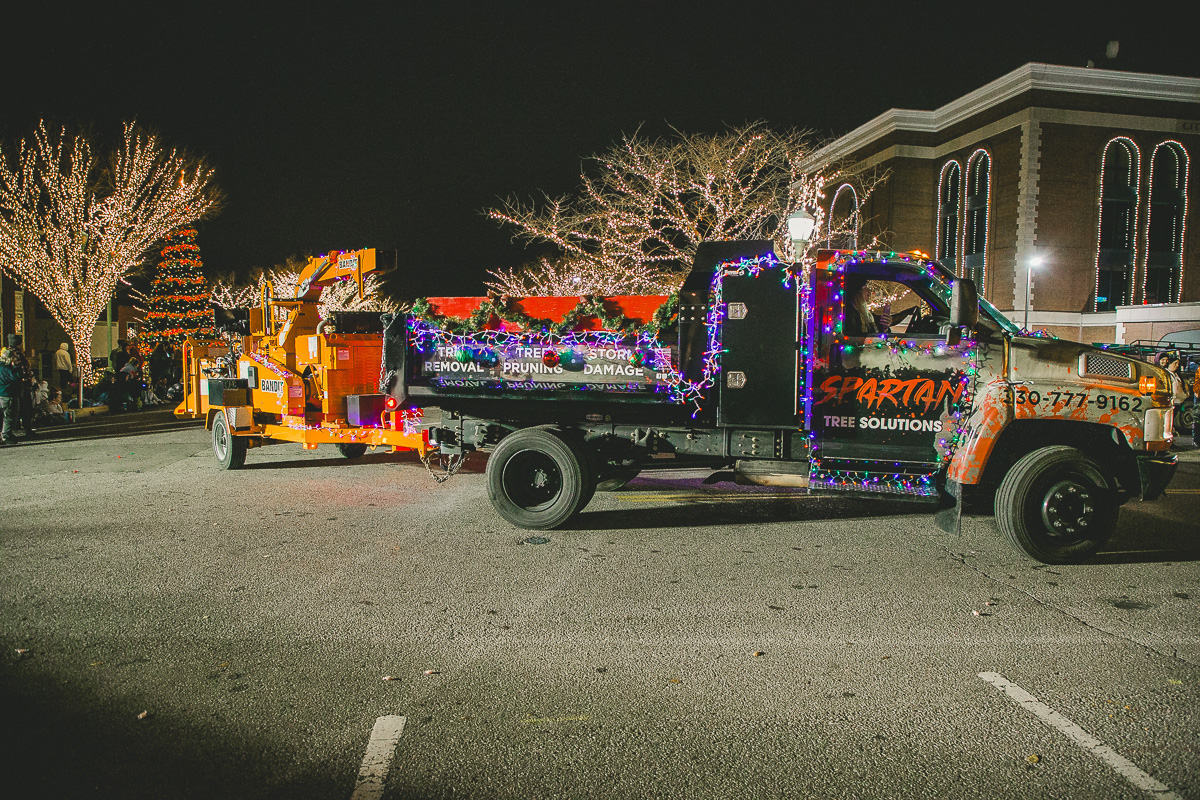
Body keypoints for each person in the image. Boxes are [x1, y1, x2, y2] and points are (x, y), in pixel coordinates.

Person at [0, 346, 21, 445]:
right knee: (9, 416)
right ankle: (6, 435)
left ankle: (4, 434)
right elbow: (16, 377)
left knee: (2, 416)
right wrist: (16, 367)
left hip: (1, 393)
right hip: (8, 394)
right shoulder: (7, 369)